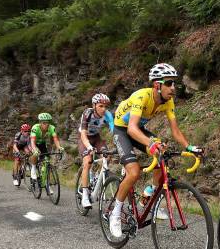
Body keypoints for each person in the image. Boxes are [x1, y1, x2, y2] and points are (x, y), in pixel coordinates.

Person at [109, 63, 203, 237]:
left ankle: (148, 196)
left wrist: (190, 147)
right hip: (123, 130)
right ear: (156, 85)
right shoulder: (141, 96)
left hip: (138, 129)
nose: (173, 88)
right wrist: (151, 143)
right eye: (169, 83)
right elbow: (131, 129)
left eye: (174, 83)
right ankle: (115, 214)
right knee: (134, 172)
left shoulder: (168, 102)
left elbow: (175, 131)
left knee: (163, 155)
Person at [78, 93, 114, 209]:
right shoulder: (87, 113)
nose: (104, 109)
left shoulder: (108, 115)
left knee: (108, 156)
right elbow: (83, 134)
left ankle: (97, 175)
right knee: (88, 161)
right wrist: (88, 147)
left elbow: (114, 131)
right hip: (85, 138)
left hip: (97, 138)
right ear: (94, 105)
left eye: (105, 106)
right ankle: (84, 195)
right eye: (100, 106)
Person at [29, 113, 64, 184]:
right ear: (40, 123)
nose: (46, 124)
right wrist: (35, 149)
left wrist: (59, 147)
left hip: (42, 144)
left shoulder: (51, 128)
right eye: (44, 123)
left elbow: (55, 139)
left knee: (47, 159)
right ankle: (33, 168)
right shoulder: (35, 128)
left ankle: (45, 180)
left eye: (48, 122)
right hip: (33, 143)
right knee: (36, 154)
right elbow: (32, 141)